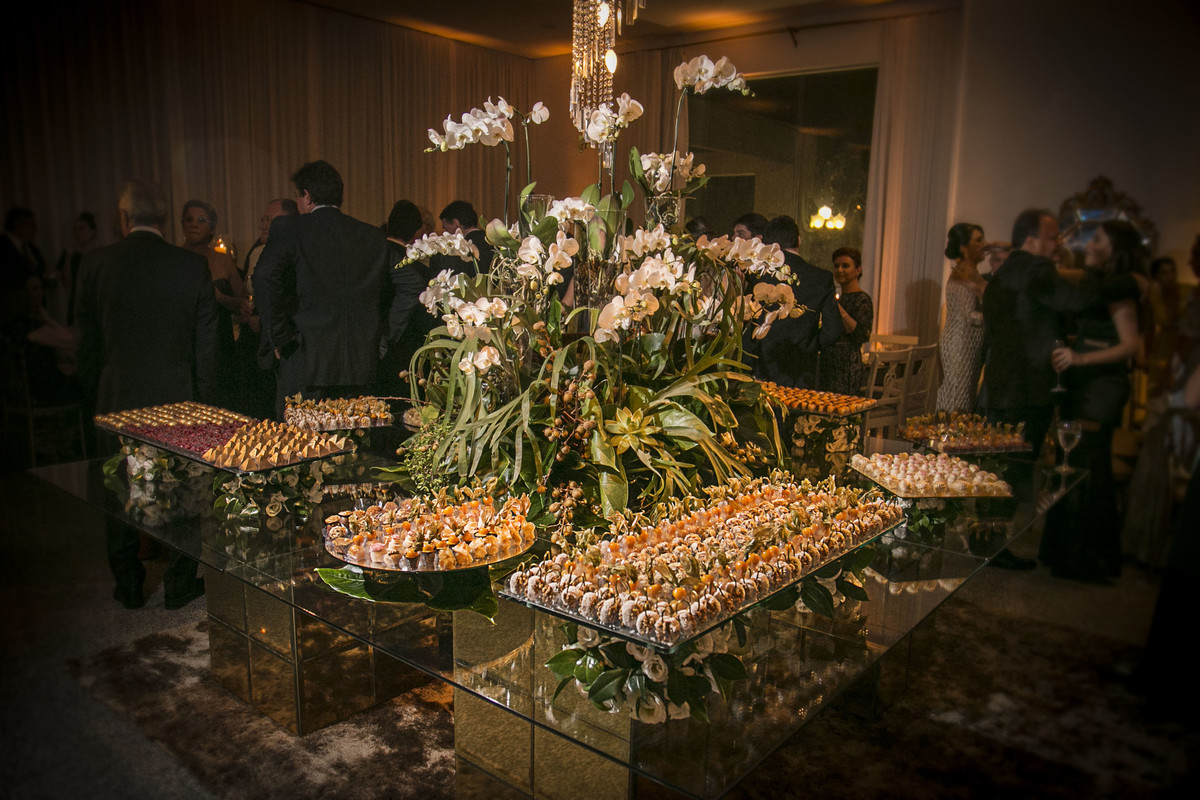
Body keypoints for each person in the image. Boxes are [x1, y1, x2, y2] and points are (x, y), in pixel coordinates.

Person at [76, 180, 216, 610]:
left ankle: (130, 585)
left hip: (116, 394)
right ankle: (177, 583)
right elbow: (206, 349)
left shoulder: (95, 264)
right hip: (178, 397)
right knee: (181, 491)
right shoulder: (190, 267)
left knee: (118, 488)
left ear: (123, 219)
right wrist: (207, 407)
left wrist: (92, 395)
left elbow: (87, 345)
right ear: (163, 218)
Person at [1042, 220, 1148, 581]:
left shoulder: (1120, 288)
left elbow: (1131, 344)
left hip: (1102, 385)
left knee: (1088, 463)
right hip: (1085, 381)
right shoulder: (1101, 284)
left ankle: (1087, 558)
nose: (1089, 243)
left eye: (1097, 238)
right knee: (1075, 459)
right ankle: (1070, 552)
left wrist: (1081, 357)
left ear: (1115, 247)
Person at [255, 160, 391, 415]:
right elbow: (407, 286)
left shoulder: (290, 228)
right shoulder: (372, 235)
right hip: (359, 365)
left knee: (299, 448)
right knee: (356, 449)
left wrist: (280, 336)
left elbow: (263, 277)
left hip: (304, 361)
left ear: (306, 196)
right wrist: (382, 335)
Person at [981, 208, 1093, 454]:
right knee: (1021, 472)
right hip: (1028, 391)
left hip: (997, 388)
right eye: (1052, 238)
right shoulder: (1038, 268)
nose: (1057, 245)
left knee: (997, 470)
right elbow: (1075, 301)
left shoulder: (1002, 274)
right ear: (1031, 241)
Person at [746, 215, 842, 389]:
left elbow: (746, 322)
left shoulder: (756, 276)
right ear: (799, 240)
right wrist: (809, 346)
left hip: (760, 369)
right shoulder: (821, 278)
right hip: (801, 370)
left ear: (769, 244)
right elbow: (833, 331)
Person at [181, 199, 249, 409]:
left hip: (221, 344)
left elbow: (244, 303)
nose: (194, 224)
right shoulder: (175, 259)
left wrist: (222, 299)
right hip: (186, 343)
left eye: (201, 220)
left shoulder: (223, 261)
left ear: (212, 228)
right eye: (189, 219)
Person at [379, 200, 437, 397]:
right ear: (415, 231)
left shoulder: (373, 258)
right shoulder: (420, 269)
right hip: (407, 350)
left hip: (373, 346)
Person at [936, 223, 988, 412]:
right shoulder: (964, 271)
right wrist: (996, 314)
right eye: (979, 240)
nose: (986, 244)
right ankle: (948, 439)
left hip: (968, 344)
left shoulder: (971, 270)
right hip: (960, 345)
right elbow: (969, 316)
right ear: (964, 248)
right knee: (957, 399)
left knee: (965, 397)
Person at [820, 246, 873, 396]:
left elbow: (861, 335)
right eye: (836, 266)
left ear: (858, 270)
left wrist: (838, 308)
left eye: (845, 266)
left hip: (847, 365)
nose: (840, 270)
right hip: (829, 363)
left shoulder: (862, 299)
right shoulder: (839, 298)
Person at [1143, 256, 1184, 396]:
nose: (1170, 276)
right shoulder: (1153, 297)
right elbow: (1148, 328)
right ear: (1156, 276)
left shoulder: (1185, 292)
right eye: (1164, 272)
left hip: (1185, 348)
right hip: (1163, 348)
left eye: (1172, 271)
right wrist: (1146, 356)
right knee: (1157, 396)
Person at [54, 211, 99, 325]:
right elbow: (67, 284)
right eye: (75, 230)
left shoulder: (100, 253)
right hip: (76, 301)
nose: (78, 233)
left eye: (82, 229)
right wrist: (68, 259)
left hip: (96, 301)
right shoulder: (69, 253)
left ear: (92, 232)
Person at [437, 200, 493, 275]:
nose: (444, 233)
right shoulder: (493, 241)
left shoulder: (456, 250)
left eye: (446, 229)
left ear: (456, 223)